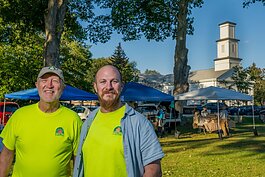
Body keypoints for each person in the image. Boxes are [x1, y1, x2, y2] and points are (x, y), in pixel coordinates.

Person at [73, 65, 164, 177]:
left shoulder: (139, 122)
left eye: (114, 81)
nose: (108, 87)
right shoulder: (88, 122)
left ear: (121, 86)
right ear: (95, 87)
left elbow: (154, 170)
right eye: (103, 82)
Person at [0, 66, 83, 177]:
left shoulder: (73, 120)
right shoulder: (19, 115)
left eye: (55, 81)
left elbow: (79, 161)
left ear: (62, 87)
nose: (49, 85)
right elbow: (6, 156)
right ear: (37, 85)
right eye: (44, 80)